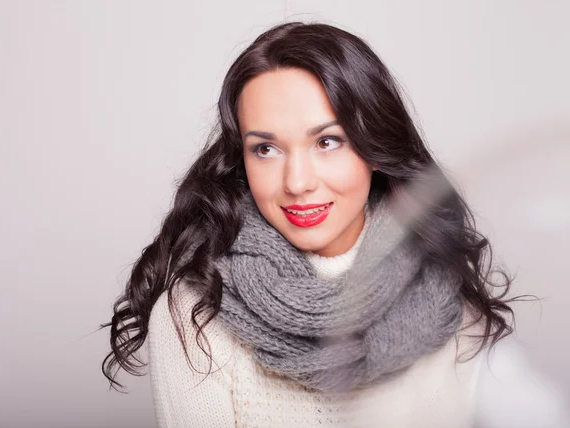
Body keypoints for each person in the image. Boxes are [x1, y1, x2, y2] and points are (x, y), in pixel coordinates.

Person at [101, 21, 569, 427]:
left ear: (375, 146)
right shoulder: (195, 312)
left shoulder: (449, 286)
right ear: (241, 159)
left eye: (327, 141)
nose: (298, 182)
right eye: (266, 148)